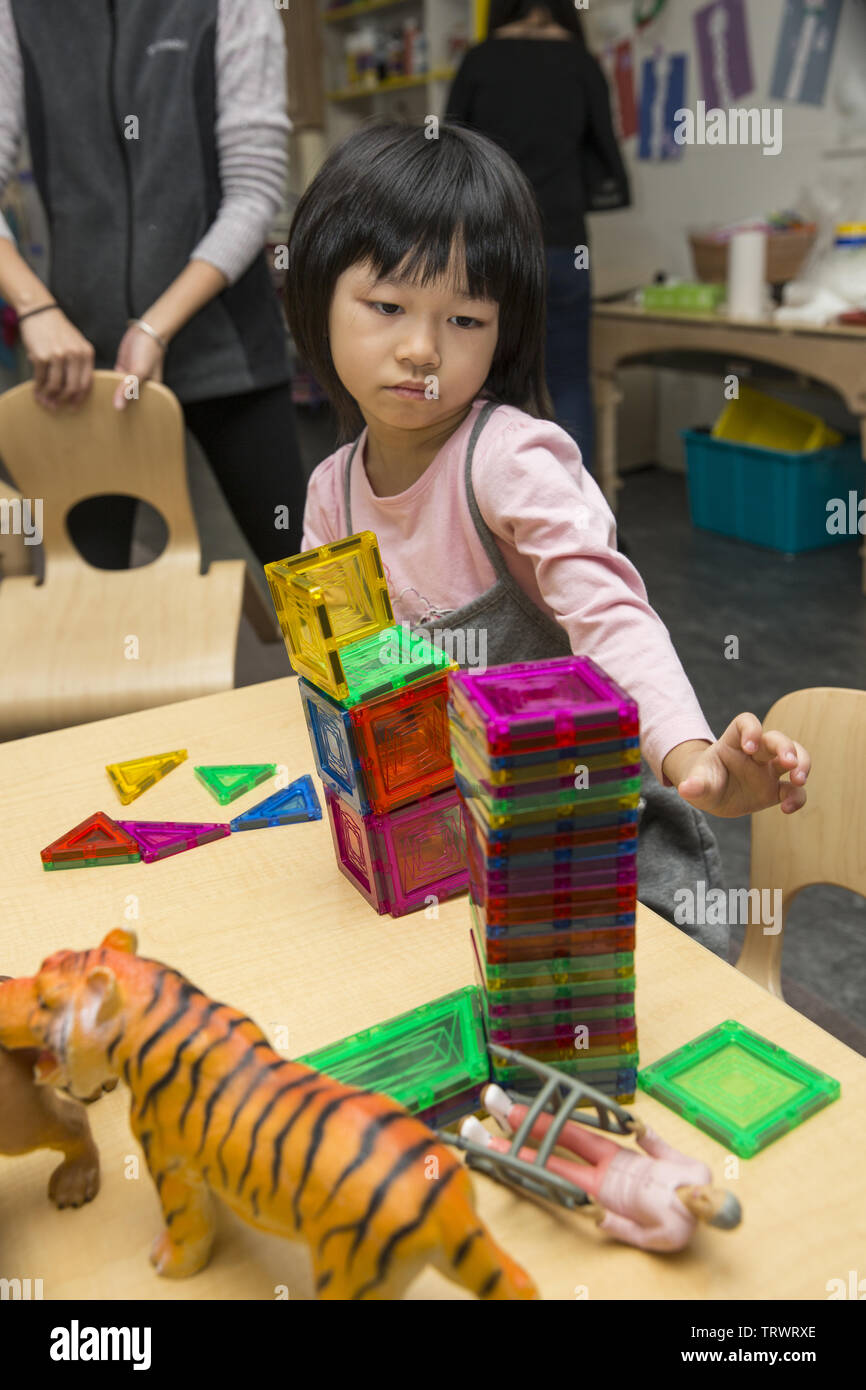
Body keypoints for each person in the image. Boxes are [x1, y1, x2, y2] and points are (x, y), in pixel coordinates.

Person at [285, 122, 810, 948]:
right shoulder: (330, 496)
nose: (421, 349)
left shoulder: (507, 460)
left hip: (582, 849)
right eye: (386, 307)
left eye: (464, 319)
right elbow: (347, 685)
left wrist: (690, 753)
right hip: (441, 859)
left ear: (503, 331)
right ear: (317, 295)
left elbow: (611, 612)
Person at [0, 0, 307, 567]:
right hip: (84, 369)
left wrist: (154, 326)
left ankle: (375, 662)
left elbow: (254, 192)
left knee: (319, 583)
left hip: (229, 351)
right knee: (88, 592)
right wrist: (36, 308)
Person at [446, 1, 630, 473]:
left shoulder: (481, 60)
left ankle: (491, 508)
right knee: (569, 382)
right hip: (566, 246)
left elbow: (450, 156)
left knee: (487, 386)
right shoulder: (580, 62)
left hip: (491, 250)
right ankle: (577, 518)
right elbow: (604, 153)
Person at [460, 1084, 742, 1253]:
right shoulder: (698, 1172)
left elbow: (638, 1235)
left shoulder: (674, 1232)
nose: (702, 1196)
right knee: (568, 1132)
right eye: (712, 1193)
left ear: (705, 1221)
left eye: (707, 1206)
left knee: (549, 1165)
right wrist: (644, 1133)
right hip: (619, 1157)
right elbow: (664, 1151)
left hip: (604, 1188)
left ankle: (490, 1145)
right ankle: (511, 1114)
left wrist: (603, 1217)